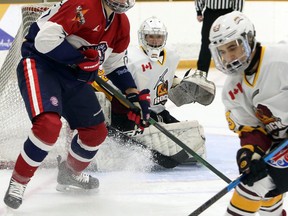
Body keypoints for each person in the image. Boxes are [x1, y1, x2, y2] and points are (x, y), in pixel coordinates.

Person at [4, 0, 151, 210]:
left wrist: (133, 95)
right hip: (43, 67)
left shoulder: (121, 24)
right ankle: (18, 182)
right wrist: (79, 59)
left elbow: (114, 65)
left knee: (95, 133)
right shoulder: (83, 5)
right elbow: (43, 40)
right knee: (48, 126)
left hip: (75, 78)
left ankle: (69, 174)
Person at [93, 16, 206, 169]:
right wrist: (128, 105)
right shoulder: (130, 57)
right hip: (134, 113)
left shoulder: (171, 57)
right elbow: (109, 80)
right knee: (173, 153)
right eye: (150, 36)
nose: (154, 40)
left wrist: (182, 84)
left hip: (157, 111)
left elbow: (165, 77)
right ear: (142, 37)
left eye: (158, 37)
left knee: (194, 135)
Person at [209, 11, 287, 215]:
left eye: (233, 47)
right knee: (260, 181)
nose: (228, 57)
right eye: (222, 51)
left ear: (249, 39)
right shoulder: (231, 90)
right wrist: (250, 156)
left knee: (253, 188)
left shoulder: (282, 60)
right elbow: (253, 130)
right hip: (281, 143)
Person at [195, 0, 244, 77]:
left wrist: (236, 14)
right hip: (210, 14)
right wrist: (199, 11)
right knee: (206, 46)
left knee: (231, 44)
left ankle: (236, 74)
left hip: (227, 14)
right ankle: (201, 76)